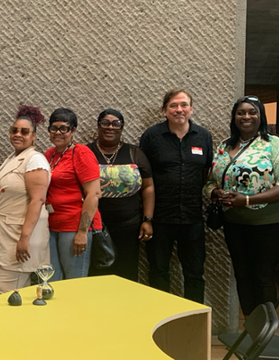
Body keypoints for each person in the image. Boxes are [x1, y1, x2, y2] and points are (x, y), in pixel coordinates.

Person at [203, 96, 279, 316]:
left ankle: (266, 334)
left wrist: (246, 200)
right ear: (234, 117)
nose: (246, 117)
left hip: (268, 221)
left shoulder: (275, 145)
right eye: (241, 112)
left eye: (252, 112)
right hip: (234, 221)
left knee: (262, 275)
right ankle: (251, 329)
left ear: (261, 116)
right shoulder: (225, 146)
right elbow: (209, 182)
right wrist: (215, 193)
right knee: (242, 275)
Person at [139, 88, 213, 304]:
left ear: (191, 109)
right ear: (164, 111)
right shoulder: (152, 136)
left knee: (195, 274)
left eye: (183, 105)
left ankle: (193, 324)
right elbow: (144, 175)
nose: (179, 109)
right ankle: (161, 321)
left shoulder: (204, 136)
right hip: (160, 217)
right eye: (173, 105)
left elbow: (206, 171)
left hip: (192, 218)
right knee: (159, 272)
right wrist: (147, 218)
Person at [0, 105, 51, 294]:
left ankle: (8, 325)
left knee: (7, 291)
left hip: (21, 236)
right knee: (13, 291)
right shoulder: (14, 158)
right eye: (14, 130)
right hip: (7, 234)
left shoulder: (35, 160)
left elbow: (37, 200)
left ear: (34, 136)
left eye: (24, 132)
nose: (18, 134)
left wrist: (24, 239)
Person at [86, 109, 154, 281]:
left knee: (126, 274)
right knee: (96, 275)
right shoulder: (86, 153)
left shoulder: (134, 153)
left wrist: (147, 220)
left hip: (129, 227)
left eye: (116, 123)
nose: (110, 127)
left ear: (122, 128)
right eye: (105, 123)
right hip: (94, 227)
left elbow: (148, 187)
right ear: (98, 126)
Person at [43, 108, 102, 282]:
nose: (58, 133)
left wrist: (82, 231)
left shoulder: (81, 153)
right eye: (54, 128)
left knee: (73, 282)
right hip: (51, 225)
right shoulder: (49, 154)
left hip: (73, 226)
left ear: (73, 130)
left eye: (64, 128)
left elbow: (94, 193)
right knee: (51, 280)